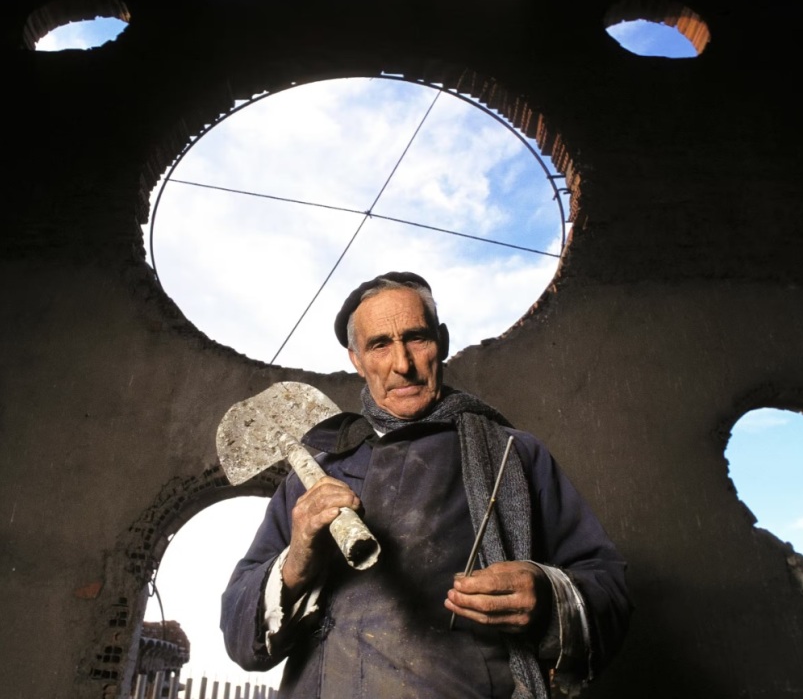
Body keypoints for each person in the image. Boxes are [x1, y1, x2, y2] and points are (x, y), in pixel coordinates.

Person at [221, 272, 631, 698]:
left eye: (416, 338)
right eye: (380, 345)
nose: (403, 364)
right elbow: (240, 641)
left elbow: (610, 594)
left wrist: (545, 596)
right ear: (357, 360)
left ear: (443, 342)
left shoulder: (514, 455)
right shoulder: (314, 480)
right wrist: (296, 563)